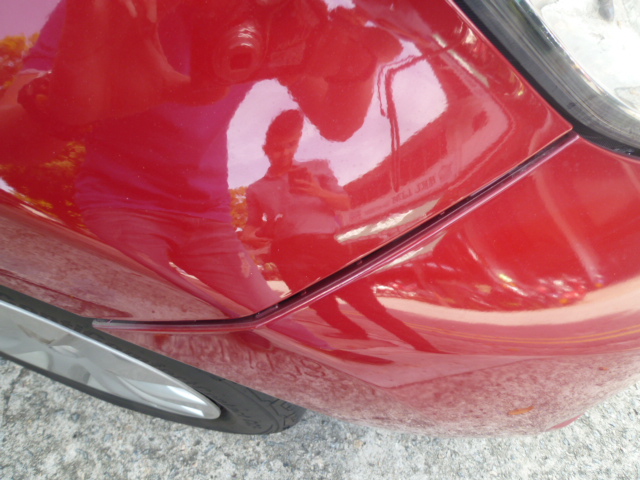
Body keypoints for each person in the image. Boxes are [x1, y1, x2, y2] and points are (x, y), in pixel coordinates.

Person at [244, 110, 445, 352]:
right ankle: (354, 332)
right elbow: (252, 224)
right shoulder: (256, 189)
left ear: (297, 143)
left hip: (326, 246)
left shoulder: (316, 168)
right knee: (320, 305)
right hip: (287, 252)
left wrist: (317, 191)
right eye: (278, 148)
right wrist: (249, 236)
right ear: (266, 149)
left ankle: (426, 347)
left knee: (366, 303)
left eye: (291, 145)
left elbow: (345, 203)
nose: (285, 153)